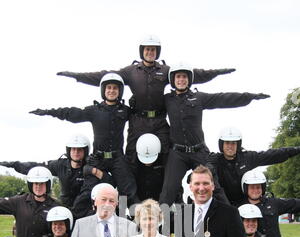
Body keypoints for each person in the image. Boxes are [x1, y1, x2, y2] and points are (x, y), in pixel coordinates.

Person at [57, 34, 236, 165]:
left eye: (153, 50)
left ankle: (174, 201)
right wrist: (76, 76)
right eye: (147, 49)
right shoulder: (131, 71)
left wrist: (219, 72)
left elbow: (195, 74)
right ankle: (130, 206)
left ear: (157, 52)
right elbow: (106, 76)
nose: (150, 52)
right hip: (138, 120)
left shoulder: (166, 71)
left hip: (159, 120)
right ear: (142, 51)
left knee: (167, 154)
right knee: (132, 157)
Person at [159, 63, 270, 206]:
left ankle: (232, 221)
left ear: (189, 79)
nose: (181, 80)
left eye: (185, 77)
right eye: (178, 77)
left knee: (215, 187)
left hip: (199, 151)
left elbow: (223, 99)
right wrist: (134, 103)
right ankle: (156, 226)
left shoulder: (198, 97)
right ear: (173, 79)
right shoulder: (167, 99)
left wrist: (249, 97)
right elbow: (149, 104)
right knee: (168, 191)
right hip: (177, 153)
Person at [29, 73, 138, 207]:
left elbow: (142, 117)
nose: (111, 91)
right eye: (108, 88)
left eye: (115, 88)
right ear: (103, 90)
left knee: (129, 191)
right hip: (98, 158)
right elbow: (72, 113)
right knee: (87, 191)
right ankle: (74, 217)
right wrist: (48, 112)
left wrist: (137, 103)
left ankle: (133, 223)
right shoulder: (94, 110)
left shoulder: (125, 111)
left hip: (118, 158)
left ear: (120, 91)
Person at [208, 127, 300, 204]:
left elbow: (272, 155)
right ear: (221, 144)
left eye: (233, 143)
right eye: (227, 143)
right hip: (222, 204)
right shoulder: (214, 160)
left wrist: (296, 150)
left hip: (245, 204)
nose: (230, 146)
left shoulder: (247, 157)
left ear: (238, 145)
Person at [0, 134, 91, 208]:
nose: (76, 152)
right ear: (69, 150)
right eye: (73, 149)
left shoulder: (91, 167)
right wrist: (14, 165)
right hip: (64, 207)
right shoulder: (60, 165)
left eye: (79, 149)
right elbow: (37, 167)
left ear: (85, 151)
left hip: (85, 209)